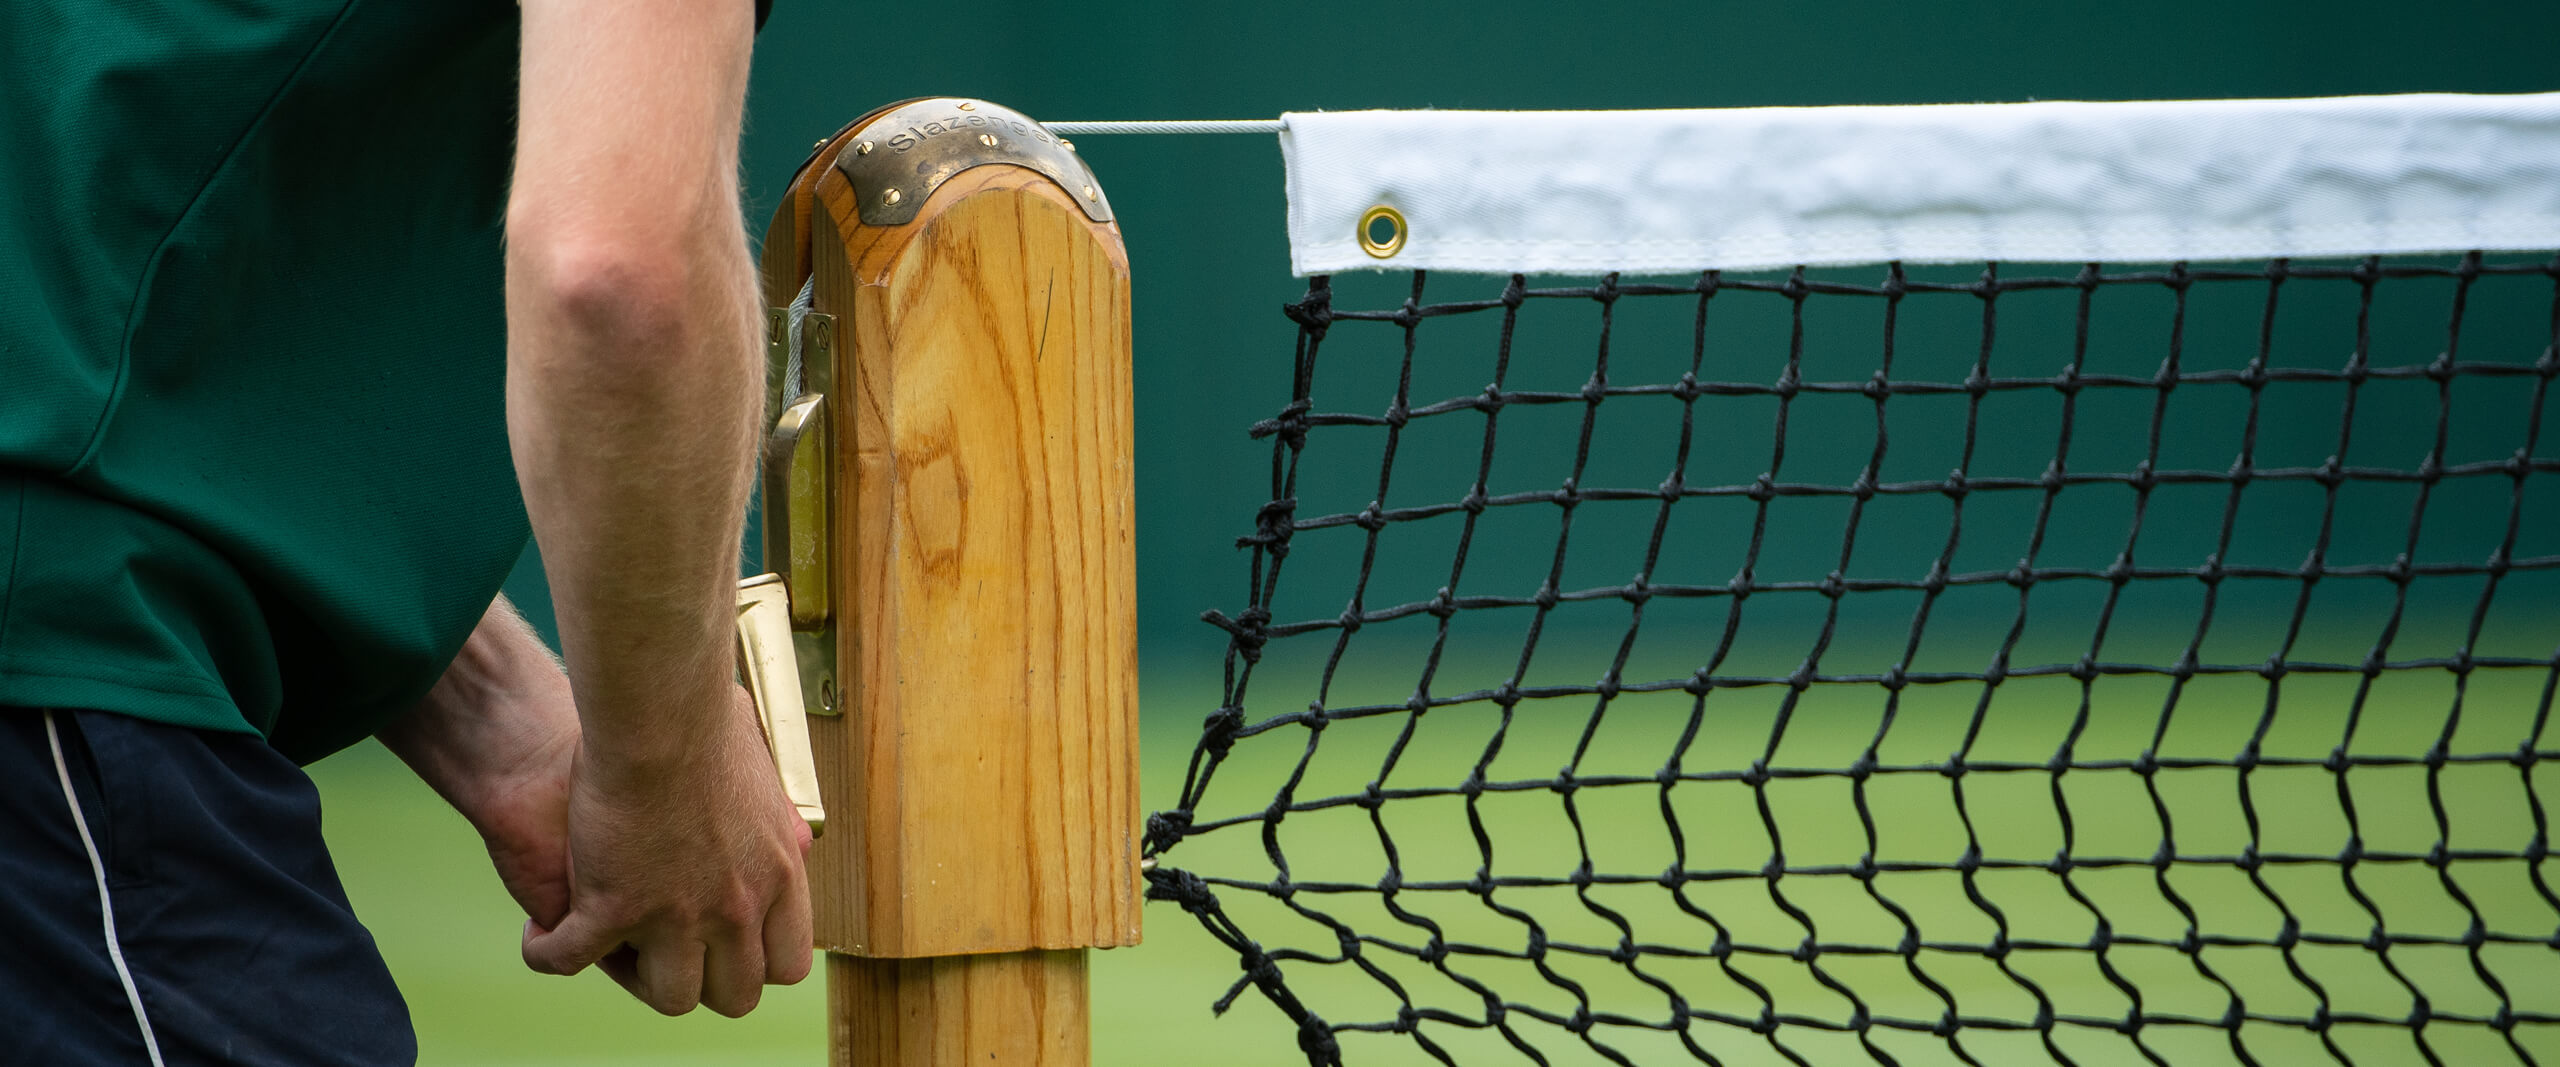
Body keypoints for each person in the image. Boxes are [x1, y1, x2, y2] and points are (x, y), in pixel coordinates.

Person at [0, 1, 811, 1062]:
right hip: (56, 663)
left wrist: (492, 711)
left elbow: (117, 228)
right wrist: (669, 758)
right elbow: (618, 271)